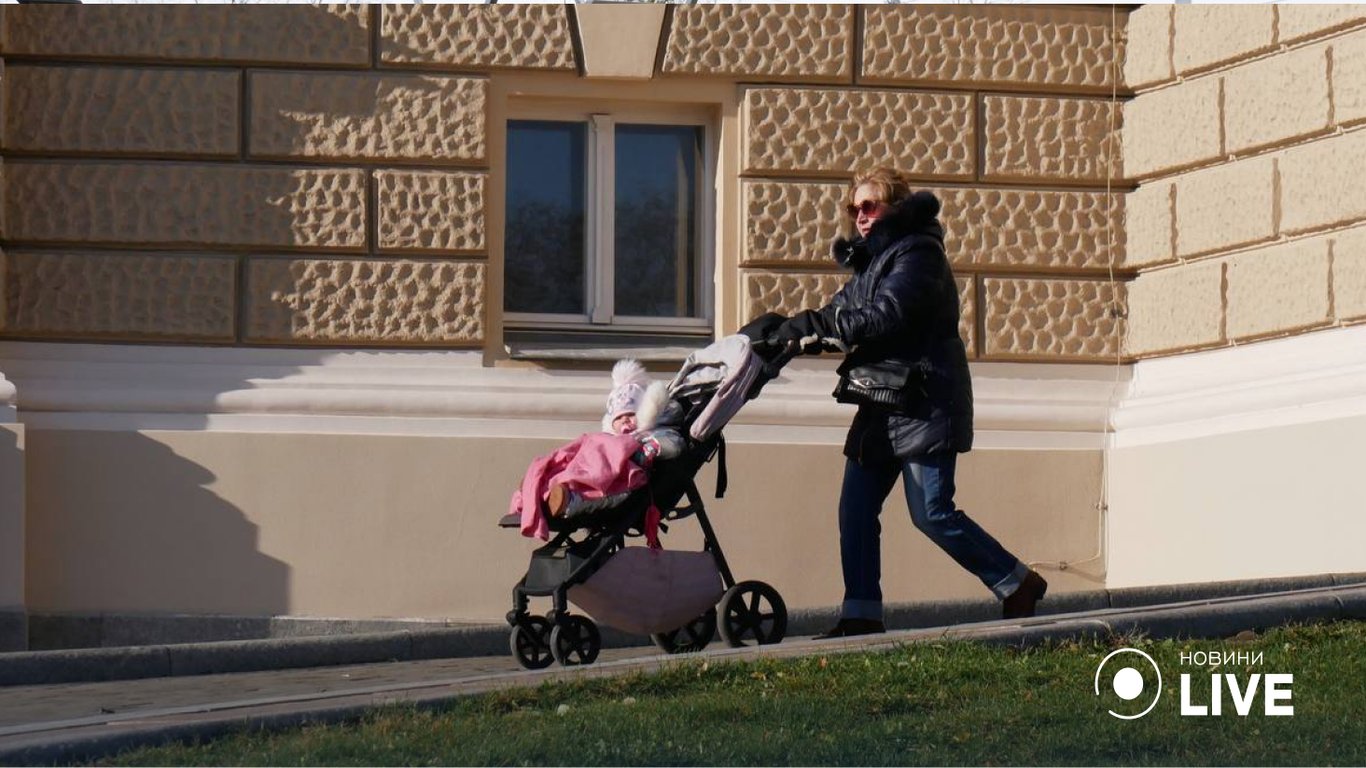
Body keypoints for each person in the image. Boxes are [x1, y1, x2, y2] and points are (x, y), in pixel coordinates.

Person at [771, 167, 1048, 637]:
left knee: (932, 512)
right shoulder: (872, 262)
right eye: (854, 208)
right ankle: (861, 612)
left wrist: (823, 327)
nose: (860, 216)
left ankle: (1017, 581)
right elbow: (842, 313)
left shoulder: (919, 253)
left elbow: (886, 316)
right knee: (855, 510)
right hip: (881, 400)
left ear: (894, 207)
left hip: (924, 398)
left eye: (869, 206)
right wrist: (789, 330)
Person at [545, 359, 685, 519]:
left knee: (613, 494)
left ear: (645, 413)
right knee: (580, 461)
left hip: (626, 479)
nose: (625, 420)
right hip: (601, 468)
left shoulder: (648, 434)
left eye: (631, 415)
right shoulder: (610, 438)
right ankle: (546, 483)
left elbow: (674, 444)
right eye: (619, 418)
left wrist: (646, 450)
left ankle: (571, 501)